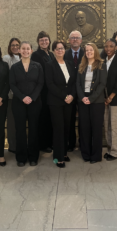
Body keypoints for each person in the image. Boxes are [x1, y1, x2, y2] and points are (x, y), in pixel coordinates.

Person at [10, 42, 44, 167]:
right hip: (19, 102)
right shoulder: (14, 67)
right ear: (19, 50)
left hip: (35, 102)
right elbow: (12, 84)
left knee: (34, 129)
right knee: (20, 130)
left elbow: (40, 83)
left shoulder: (38, 66)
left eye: (27, 49)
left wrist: (32, 97)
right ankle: (21, 157)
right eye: (23, 49)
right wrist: (23, 97)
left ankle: (33, 157)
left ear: (31, 50)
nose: (25, 51)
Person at [46, 40, 76, 168]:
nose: (60, 50)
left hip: (69, 102)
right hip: (56, 102)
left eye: (62, 48)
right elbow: (50, 84)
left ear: (65, 50)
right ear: (53, 51)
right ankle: (58, 157)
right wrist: (64, 96)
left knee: (66, 127)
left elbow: (74, 83)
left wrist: (72, 96)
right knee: (58, 129)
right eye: (57, 48)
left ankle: (64, 153)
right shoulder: (49, 65)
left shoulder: (69, 64)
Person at [76, 43, 107, 164]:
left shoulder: (101, 65)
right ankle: (86, 153)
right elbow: (78, 84)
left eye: (91, 50)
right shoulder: (81, 65)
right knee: (84, 128)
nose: (89, 52)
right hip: (83, 100)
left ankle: (95, 155)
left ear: (95, 51)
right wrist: (82, 97)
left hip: (97, 101)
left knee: (96, 128)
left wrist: (91, 98)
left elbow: (102, 84)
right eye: (86, 50)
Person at [31, 31, 54, 153]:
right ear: (38, 42)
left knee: (50, 117)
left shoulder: (51, 54)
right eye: (41, 40)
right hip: (43, 91)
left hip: (51, 91)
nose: (44, 42)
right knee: (43, 118)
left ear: (49, 41)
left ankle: (50, 142)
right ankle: (43, 144)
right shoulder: (36, 55)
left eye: (46, 40)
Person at [103, 39, 117, 161]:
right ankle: (110, 148)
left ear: (116, 47)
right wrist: (105, 97)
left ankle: (116, 152)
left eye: (111, 46)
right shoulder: (103, 61)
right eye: (106, 46)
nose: (108, 49)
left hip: (115, 98)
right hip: (104, 98)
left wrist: (111, 97)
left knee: (115, 126)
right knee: (107, 125)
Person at [64, 30, 84, 151]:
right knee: (69, 119)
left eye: (77, 38)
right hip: (69, 92)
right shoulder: (64, 54)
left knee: (83, 120)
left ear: (81, 40)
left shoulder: (86, 53)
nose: (75, 39)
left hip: (82, 92)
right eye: (72, 38)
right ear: (69, 40)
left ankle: (83, 143)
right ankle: (70, 143)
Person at [2, 38, 21, 154]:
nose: (15, 47)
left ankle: (21, 143)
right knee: (12, 123)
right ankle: (12, 145)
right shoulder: (6, 58)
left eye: (17, 45)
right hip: (11, 95)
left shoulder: (24, 58)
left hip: (22, 96)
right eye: (13, 45)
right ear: (9, 47)